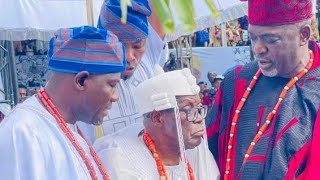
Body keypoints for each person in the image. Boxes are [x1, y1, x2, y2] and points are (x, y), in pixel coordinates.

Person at [206, 0, 320, 179]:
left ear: (304, 35)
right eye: (253, 38)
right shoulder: (235, 83)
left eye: (271, 40)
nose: (257, 49)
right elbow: (204, 155)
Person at [0, 26, 126, 179]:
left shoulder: (68, 126)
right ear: (81, 81)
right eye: (112, 85)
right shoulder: (22, 133)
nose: (115, 97)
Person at [94, 65, 220, 180]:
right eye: (188, 109)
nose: (199, 118)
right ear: (157, 118)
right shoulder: (119, 160)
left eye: (198, 109)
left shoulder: (197, 150)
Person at [77, 0, 166, 143]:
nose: (130, 57)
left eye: (137, 46)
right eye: (120, 46)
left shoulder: (147, 59)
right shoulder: (82, 80)